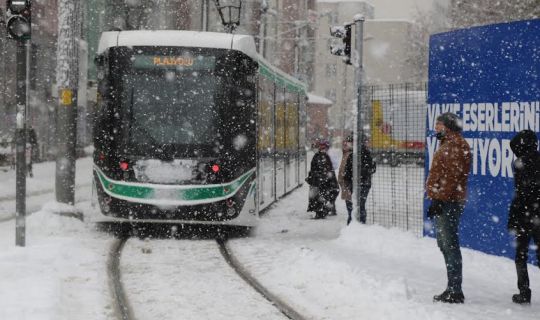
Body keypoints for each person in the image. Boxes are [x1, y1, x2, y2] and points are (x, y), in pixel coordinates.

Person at [426, 112, 471, 304]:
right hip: (445, 200)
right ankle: (452, 287)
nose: (436, 128)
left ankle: (455, 290)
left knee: (449, 244)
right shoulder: (448, 144)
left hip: (449, 202)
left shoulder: (455, 146)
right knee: (444, 244)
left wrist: (440, 199)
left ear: (448, 127)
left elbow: (452, 177)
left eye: (439, 124)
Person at [507, 129, 540, 304]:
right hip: (536, 215)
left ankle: (524, 291)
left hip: (525, 216)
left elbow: (521, 194)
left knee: (521, 254)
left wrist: (514, 217)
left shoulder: (520, 163)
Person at [340, 135, 376, 225]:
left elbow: (347, 171)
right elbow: (373, 169)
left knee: (351, 204)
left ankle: (352, 222)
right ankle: (361, 222)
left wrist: (346, 179)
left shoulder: (352, 155)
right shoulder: (368, 154)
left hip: (353, 183)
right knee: (361, 204)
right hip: (365, 183)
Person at [306, 139, 339, 219]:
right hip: (321, 180)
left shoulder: (324, 156)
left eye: (324, 147)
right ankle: (323, 210)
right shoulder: (320, 156)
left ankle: (322, 211)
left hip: (323, 180)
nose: (322, 148)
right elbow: (315, 168)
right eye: (321, 147)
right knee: (322, 195)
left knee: (323, 195)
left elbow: (330, 167)